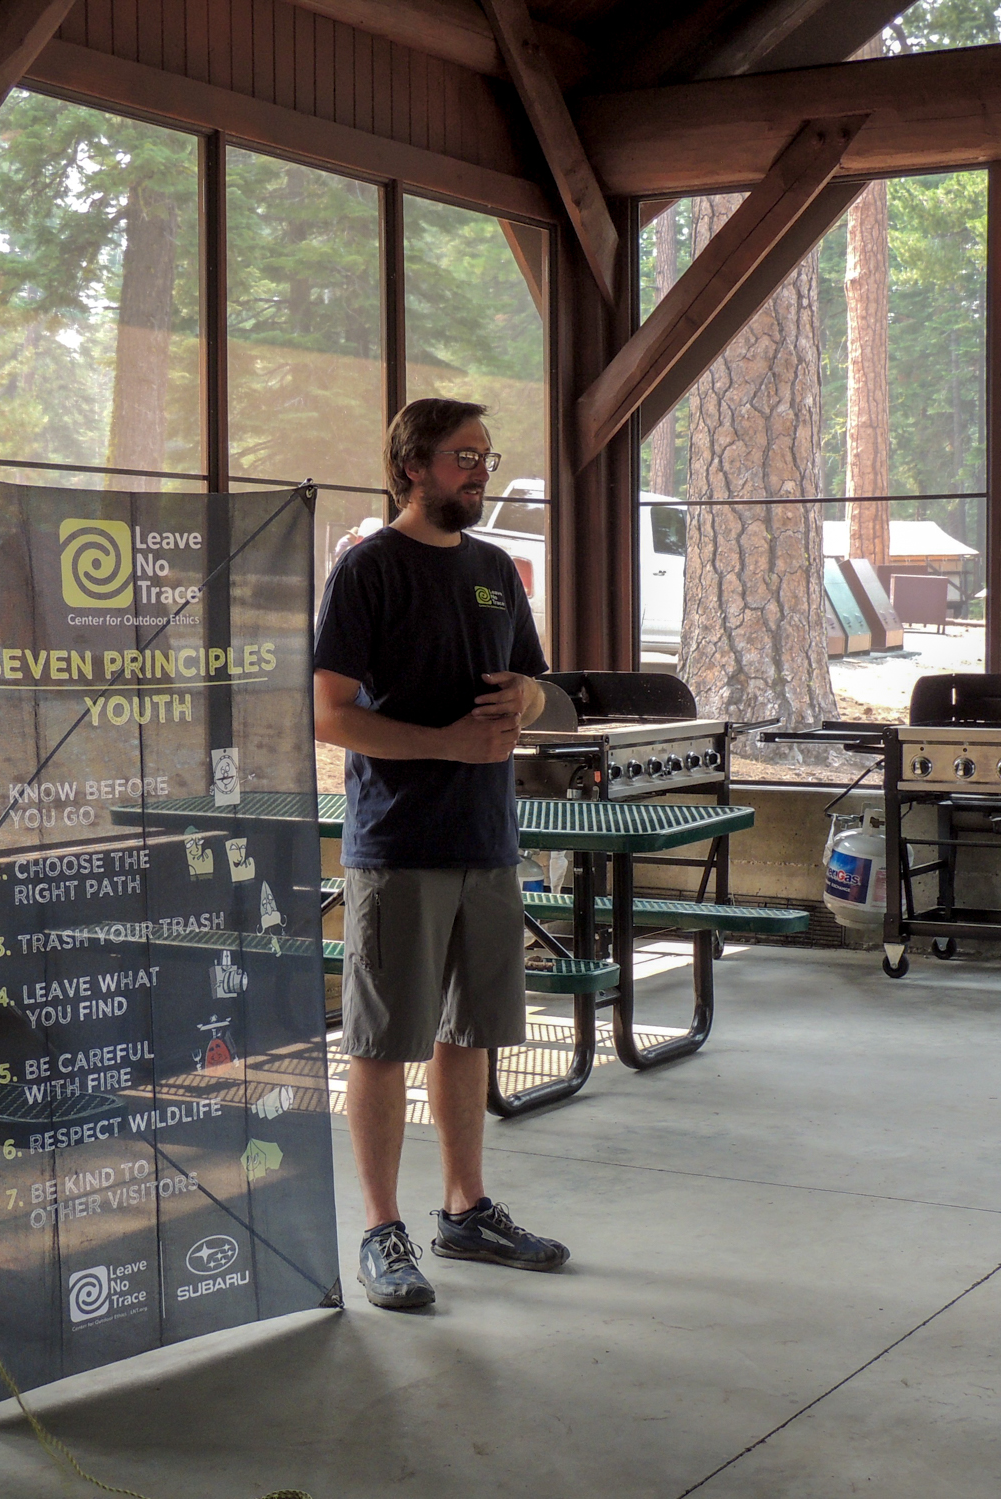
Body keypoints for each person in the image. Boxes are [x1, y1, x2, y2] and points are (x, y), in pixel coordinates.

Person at [313, 396, 566, 1311]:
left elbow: (537, 684)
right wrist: (446, 745)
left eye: (487, 459)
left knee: (470, 1031)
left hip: (488, 840)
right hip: (398, 843)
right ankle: (382, 1230)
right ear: (412, 462)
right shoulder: (367, 570)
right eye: (464, 456)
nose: (478, 473)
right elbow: (329, 713)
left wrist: (523, 707)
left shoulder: (498, 568)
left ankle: (466, 1210)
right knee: (384, 1042)